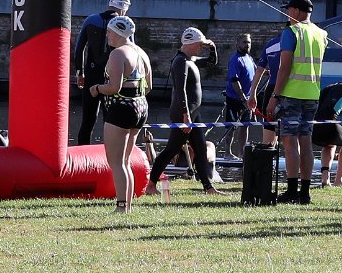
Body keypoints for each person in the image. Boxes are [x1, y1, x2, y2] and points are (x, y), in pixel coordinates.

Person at [266, 0, 327, 204]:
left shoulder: (291, 32)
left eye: (289, 9)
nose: (287, 13)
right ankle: (305, 192)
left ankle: (292, 191)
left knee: (290, 142)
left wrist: (274, 96)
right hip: (312, 94)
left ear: (298, 11)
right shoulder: (321, 34)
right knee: (306, 143)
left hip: (291, 94)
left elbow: (285, 67)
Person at [146, 26, 218, 193]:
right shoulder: (180, 62)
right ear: (190, 43)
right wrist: (185, 116)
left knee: (200, 150)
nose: (201, 47)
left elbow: (211, 62)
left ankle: (209, 188)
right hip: (184, 114)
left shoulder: (190, 60)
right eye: (199, 44)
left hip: (194, 114)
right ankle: (151, 185)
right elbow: (181, 90)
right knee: (171, 150)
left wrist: (212, 47)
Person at [90, 16, 151, 213]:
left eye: (109, 31)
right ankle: (127, 206)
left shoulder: (118, 54)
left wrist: (97, 88)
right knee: (125, 161)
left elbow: (114, 87)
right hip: (140, 106)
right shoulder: (141, 53)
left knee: (115, 161)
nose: (106, 34)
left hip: (121, 107)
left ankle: (121, 207)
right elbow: (148, 86)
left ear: (118, 33)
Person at [74, 0, 132, 145]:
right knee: (111, 123)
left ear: (110, 3)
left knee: (87, 122)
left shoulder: (90, 20)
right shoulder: (124, 24)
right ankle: (110, 162)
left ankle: (82, 160)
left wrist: (80, 73)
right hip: (112, 80)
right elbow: (130, 52)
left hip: (91, 78)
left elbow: (79, 49)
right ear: (124, 8)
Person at [216, 33, 256, 159]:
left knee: (245, 126)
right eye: (244, 42)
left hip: (248, 99)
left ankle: (242, 153)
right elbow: (234, 80)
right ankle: (228, 153)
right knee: (231, 127)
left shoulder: (249, 58)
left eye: (248, 42)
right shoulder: (235, 60)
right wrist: (243, 97)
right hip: (235, 98)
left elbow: (257, 72)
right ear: (237, 44)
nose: (247, 45)